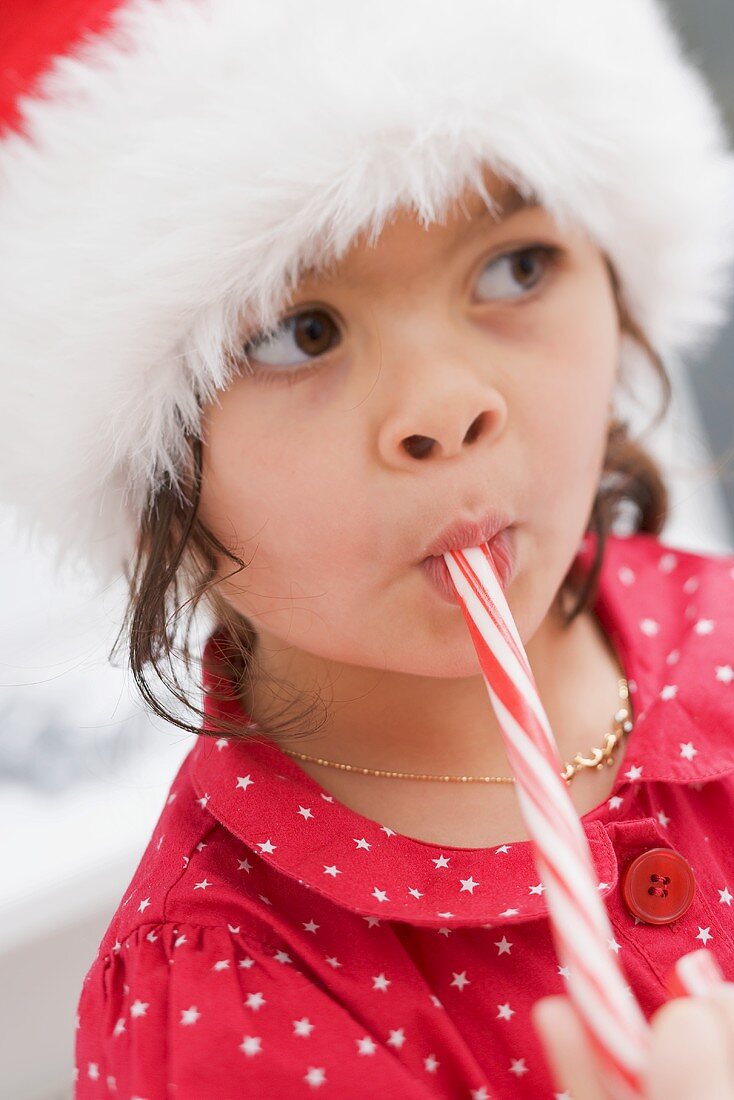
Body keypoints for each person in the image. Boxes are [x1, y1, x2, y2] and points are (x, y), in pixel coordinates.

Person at [1, 0, 734, 1097]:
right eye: (297, 332)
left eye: (513, 266)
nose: (445, 406)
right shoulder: (224, 999)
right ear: (150, 467)